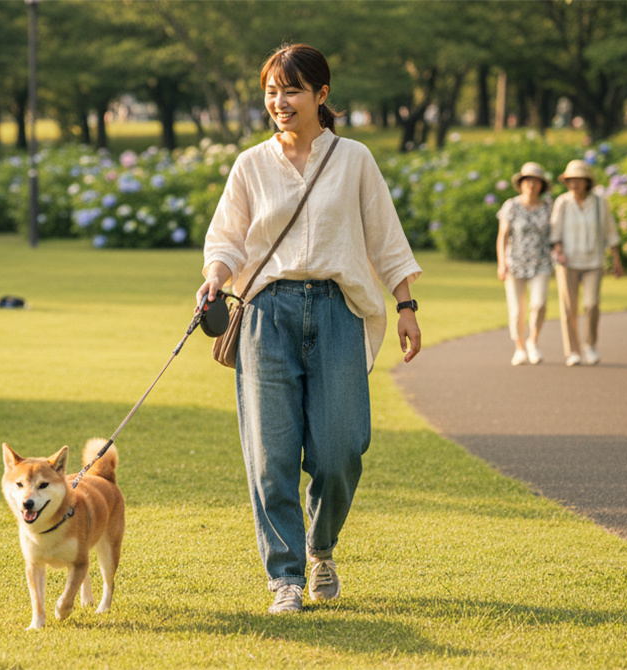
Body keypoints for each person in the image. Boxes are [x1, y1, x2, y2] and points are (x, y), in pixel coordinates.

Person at [196, 43, 422, 615]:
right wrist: (215, 276)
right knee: (270, 455)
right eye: (272, 91)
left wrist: (405, 306)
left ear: (322, 95)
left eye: (292, 90)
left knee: (341, 449)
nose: (280, 101)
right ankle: (286, 577)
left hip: (337, 311)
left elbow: (385, 239)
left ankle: (321, 546)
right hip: (265, 316)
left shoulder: (355, 160)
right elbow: (226, 235)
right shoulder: (250, 164)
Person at [551, 159, 623, 366]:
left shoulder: (600, 203)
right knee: (568, 308)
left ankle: (589, 345)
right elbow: (554, 232)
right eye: (570, 180)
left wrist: (616, 259)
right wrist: (559, 250)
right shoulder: (562, 203)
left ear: (587, 182)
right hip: (568, 262)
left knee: (591, 304)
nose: (574, 184)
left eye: (578, 180)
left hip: (593, 262)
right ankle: (573, 351)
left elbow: (611, 232)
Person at [496, 162, 554, 366]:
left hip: (541, 263)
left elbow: (556, 234)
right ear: (521, 183)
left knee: (539, 304)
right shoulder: (511, 206)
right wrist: (502, 263)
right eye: (528, 180)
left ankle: (533, 342)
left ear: (541, 185)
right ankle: (519, 347)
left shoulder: (548, 206)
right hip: (515, 264)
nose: (531, 184)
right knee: (516, 310)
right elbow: (502, 236)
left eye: (536, 181)